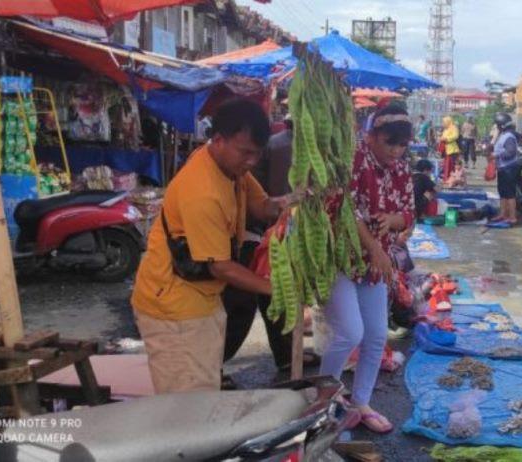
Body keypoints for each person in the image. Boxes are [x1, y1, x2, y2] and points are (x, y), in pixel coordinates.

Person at [131, 99, 293, 394]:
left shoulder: (232, 169)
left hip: (202, 297)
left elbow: (262, 206)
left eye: (257, 153)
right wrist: (279, 289)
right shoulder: (203, 192)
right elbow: (222, 268)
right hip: (174, 308)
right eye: (245, 152)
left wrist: (293, 202)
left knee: (204, 386)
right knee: (188, 403)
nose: (252, 162)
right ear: (218, 140)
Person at [320, 104, 415, 434]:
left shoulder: (401, 168)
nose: (396, 151)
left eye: (402, 145)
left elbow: (409, 213)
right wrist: (375, 248)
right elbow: (344, 210)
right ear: (372, 135)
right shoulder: (353, 159)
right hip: (341, 259)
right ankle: (323, 401)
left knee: (376, 336)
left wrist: (393, 220)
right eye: (390, 142)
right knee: (350, 332)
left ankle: (361, 402)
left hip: (376, 264)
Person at [222, 118, 299, 383]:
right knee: (243, 303)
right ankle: (214, 366)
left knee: (271, 301)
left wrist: (291, 202)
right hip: (252, 235)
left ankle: (286, 355)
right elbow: (270, 201)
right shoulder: (283, 147)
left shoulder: (279, 146)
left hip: (264, 231)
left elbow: (266, 202)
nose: (251, 160)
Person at [492, 112, 522, 225]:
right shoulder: (504, 135)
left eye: (497, 126)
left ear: (502, 125)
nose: (496, 128)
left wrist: (496, 155)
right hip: (503, 168)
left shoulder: (509, 136)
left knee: (509, 193)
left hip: (509, 168)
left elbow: (510, 152)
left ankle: (512, 217)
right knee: (502, 192)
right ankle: (503, 214)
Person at [440, 116, 460, 180]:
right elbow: (443, 136)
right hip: (446, 149)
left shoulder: (453, 128)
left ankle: (452, 179)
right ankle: (446, 178)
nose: (443, 124)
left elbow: (455, 136)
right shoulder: (446, 129)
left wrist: (446, 139)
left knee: (451, 165)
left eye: (444, 122)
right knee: (446, 165)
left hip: (452, 149)